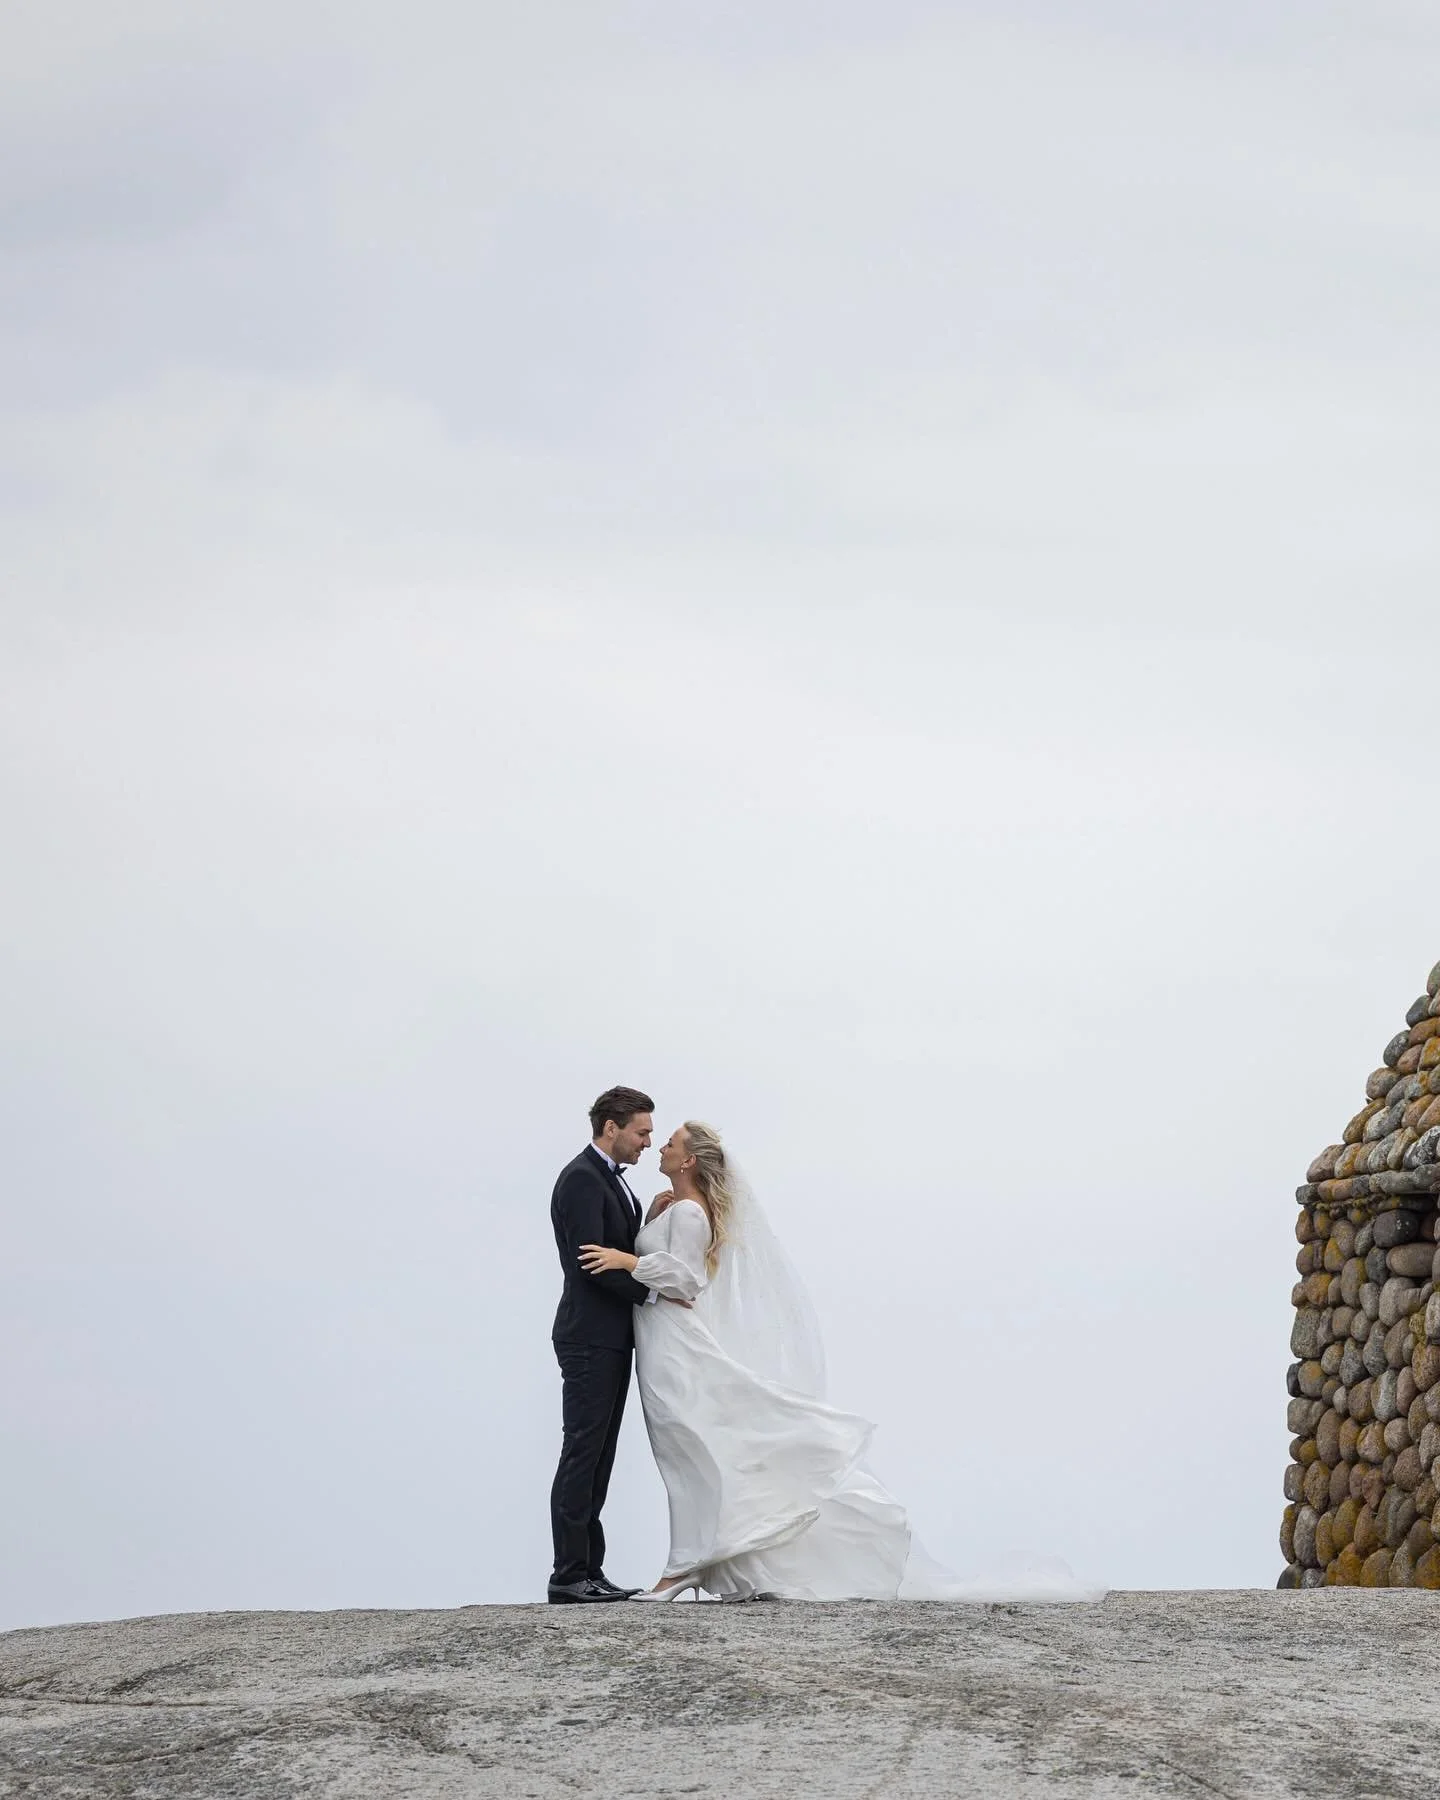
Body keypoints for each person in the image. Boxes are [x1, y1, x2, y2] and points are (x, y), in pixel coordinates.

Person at [579, 1120, 1105, 1603]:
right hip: (656, 1341)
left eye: (669, 1142)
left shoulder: (691, 1211)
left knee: (689, 1447)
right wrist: (652, 1224)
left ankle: (682, 1568)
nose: (660, 1147)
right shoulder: (673, 1206)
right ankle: (707, 1560)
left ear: (690, 1160)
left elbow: (689, 1280)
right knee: (683, 1447)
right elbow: (672, 1263)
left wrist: (630, 1259)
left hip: (675, 1345)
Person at [545, 1086, 661, 1605]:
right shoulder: (581, 1179)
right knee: (583, 1453)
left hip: (610, 1338)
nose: (648, 1142)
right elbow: (592, 1262)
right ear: (610, 1128)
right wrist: (654, 1291)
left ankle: (591, 1569)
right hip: (588, 1336)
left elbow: (619, 1248)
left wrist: (650, 1220)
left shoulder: (613, 1182)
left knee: (601, 1456)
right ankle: (569, 1574)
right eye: (641, 1131)